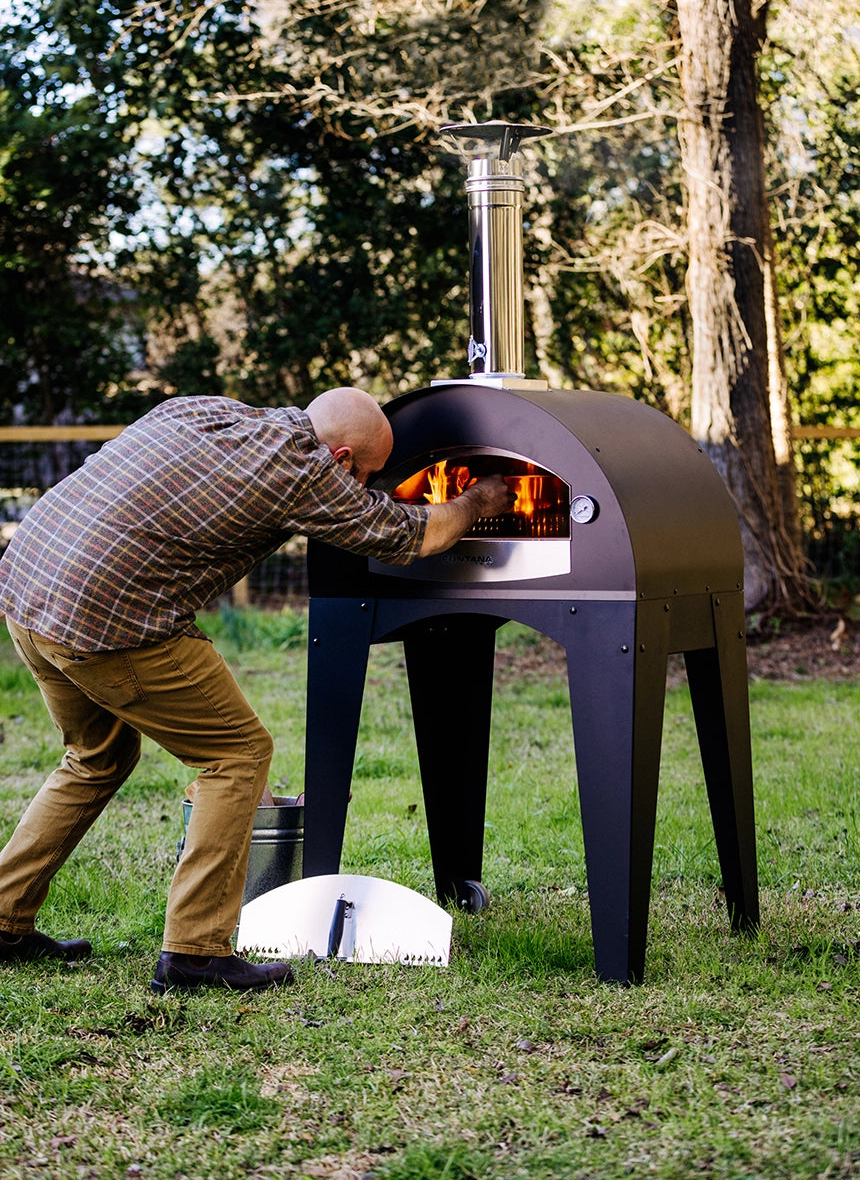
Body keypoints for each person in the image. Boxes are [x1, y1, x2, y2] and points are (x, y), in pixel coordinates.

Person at [0, 389, 510, 993]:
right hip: (109, 621)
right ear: (341, 458)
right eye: (367, 476)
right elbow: (414, 535)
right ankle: (195, 955)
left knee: (96, 756)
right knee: (237, 755)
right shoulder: (305, 473)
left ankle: (4, 918)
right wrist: (480, 499)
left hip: (28, 588)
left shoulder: (205, 409)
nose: (365, 488)